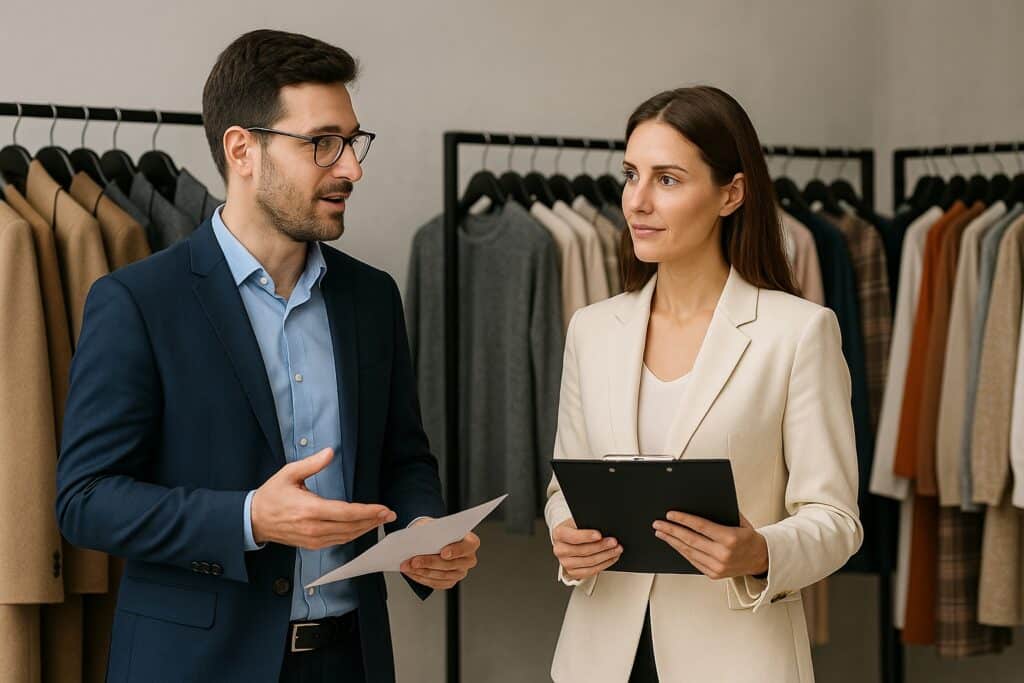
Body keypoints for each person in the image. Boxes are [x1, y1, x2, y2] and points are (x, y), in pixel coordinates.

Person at [55, 29, 479, 683]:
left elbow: (404, 457)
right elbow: (86, 499)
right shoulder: (137, 301)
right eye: (322, 144)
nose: (352, 168)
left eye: (353, 141)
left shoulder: (371, 296)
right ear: (241, 149)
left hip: (352, 658)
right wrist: (249, 516)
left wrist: (423, 532)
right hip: (198, 664)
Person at [545, 86, 862, 682]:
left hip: (737, 658)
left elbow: (836, 518)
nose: (636, 201)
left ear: (731, 194)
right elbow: (567, 485)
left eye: (667, 180)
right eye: (631, 174)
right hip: (598, 657)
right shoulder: (592, 329)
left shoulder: (797, 333)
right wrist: (567, 535)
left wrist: (760, 551)